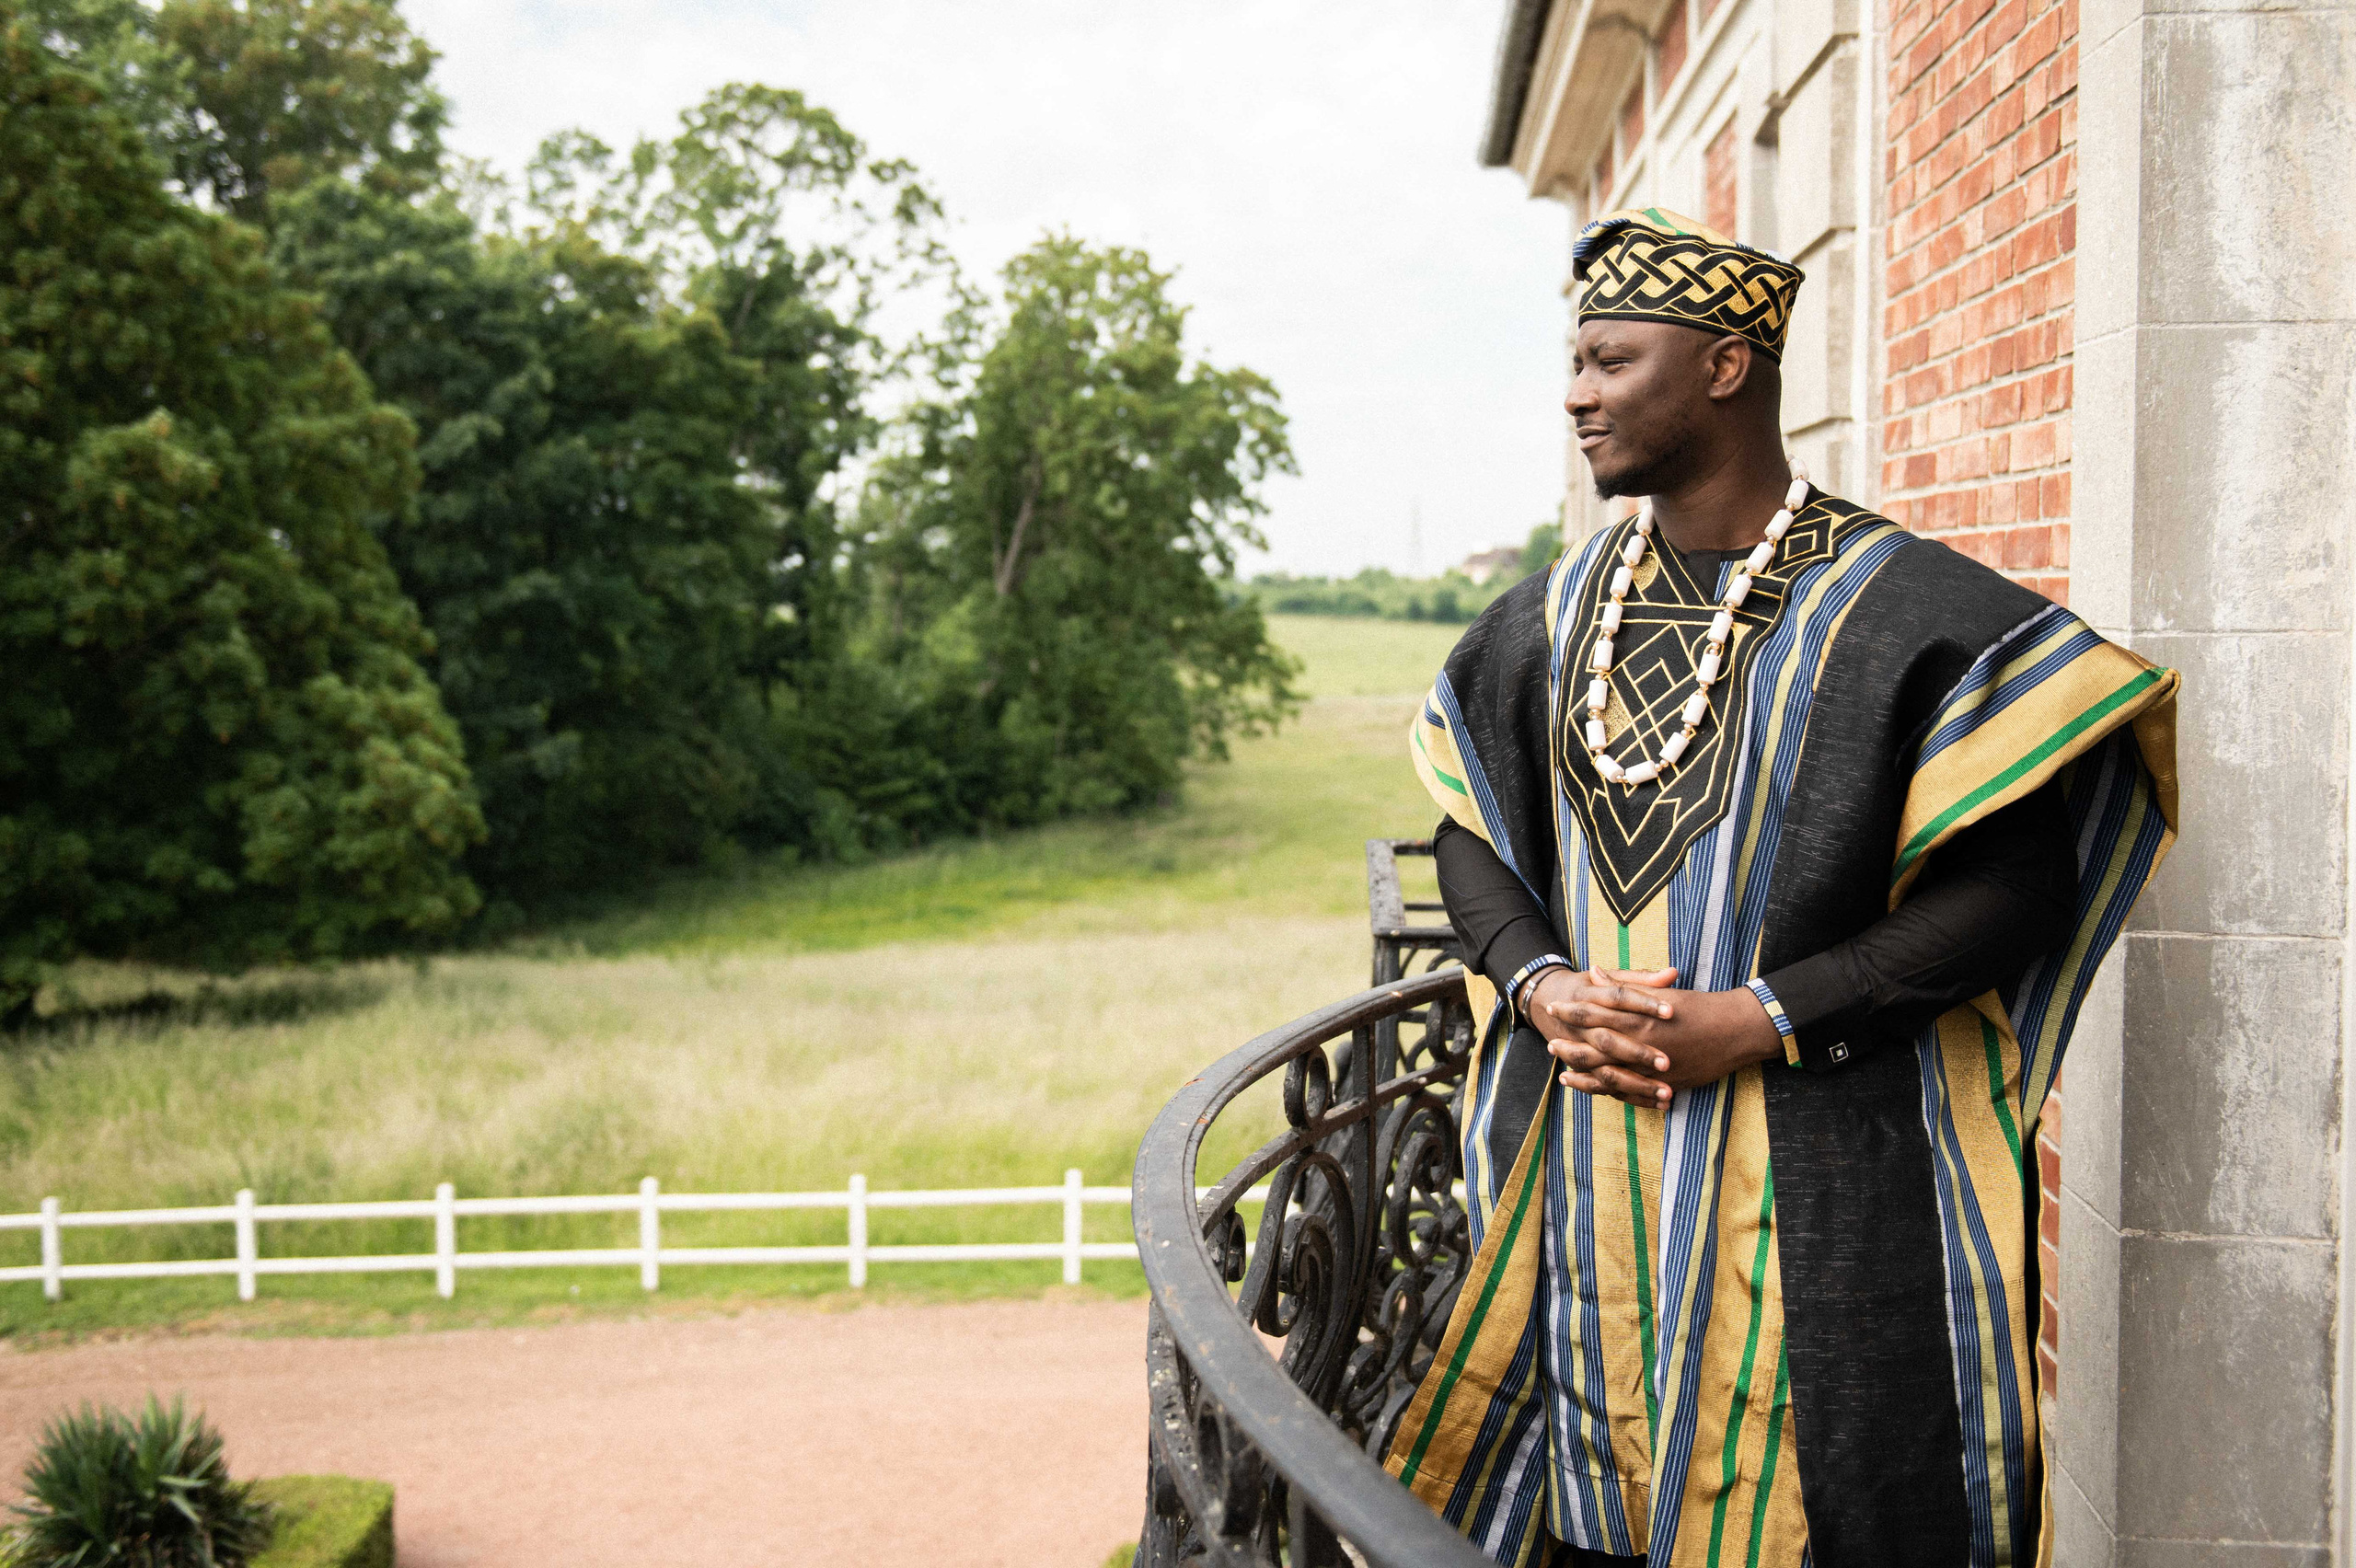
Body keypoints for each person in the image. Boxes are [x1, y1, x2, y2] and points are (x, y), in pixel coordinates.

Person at [1381, 209, 2179, 1568]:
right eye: (1575, 362)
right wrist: (1540, 981)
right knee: (1584, 1501)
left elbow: (2018, 891)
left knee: (1838, 1504)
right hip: (1585, 1182)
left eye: (1611, 360)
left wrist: (1755, 1020)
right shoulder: (1556, 614)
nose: (1577, 394)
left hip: (1833, 1182)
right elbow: (1467, 830)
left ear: (1724, 367)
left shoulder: (1908, 612)